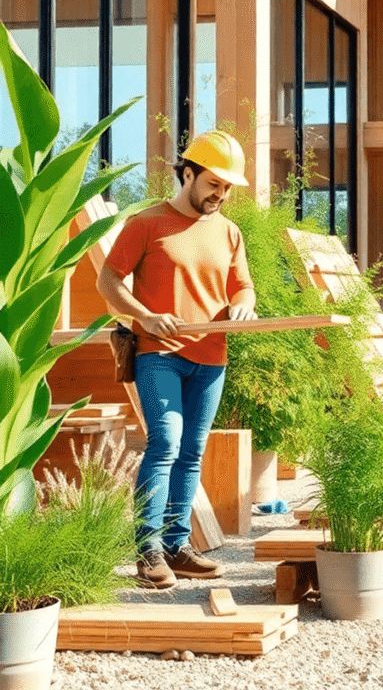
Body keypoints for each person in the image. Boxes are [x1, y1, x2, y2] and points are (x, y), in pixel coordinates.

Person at [97, 130, 257, 590]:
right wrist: (145, 316)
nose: (220, 196)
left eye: (227, 189)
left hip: (211, 357)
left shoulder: (229, 232)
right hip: (159, 355)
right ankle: (147, 550)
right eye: (213, 184)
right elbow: (109, 282)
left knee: (192, 452)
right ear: (188, 174)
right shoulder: (146, 224)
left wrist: (244, 303)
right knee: (165, 443)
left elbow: (242, 286)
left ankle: (177, 545)